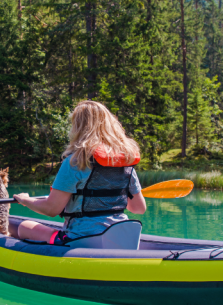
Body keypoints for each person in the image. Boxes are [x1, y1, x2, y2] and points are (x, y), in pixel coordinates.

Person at [10, 100, 146, 244]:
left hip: (83, 239)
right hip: (120, 237)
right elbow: (138, 208)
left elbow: (51, 209)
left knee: (25, 227)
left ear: (78, 127)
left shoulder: (76, 161)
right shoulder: (125, 162)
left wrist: (25, 200)